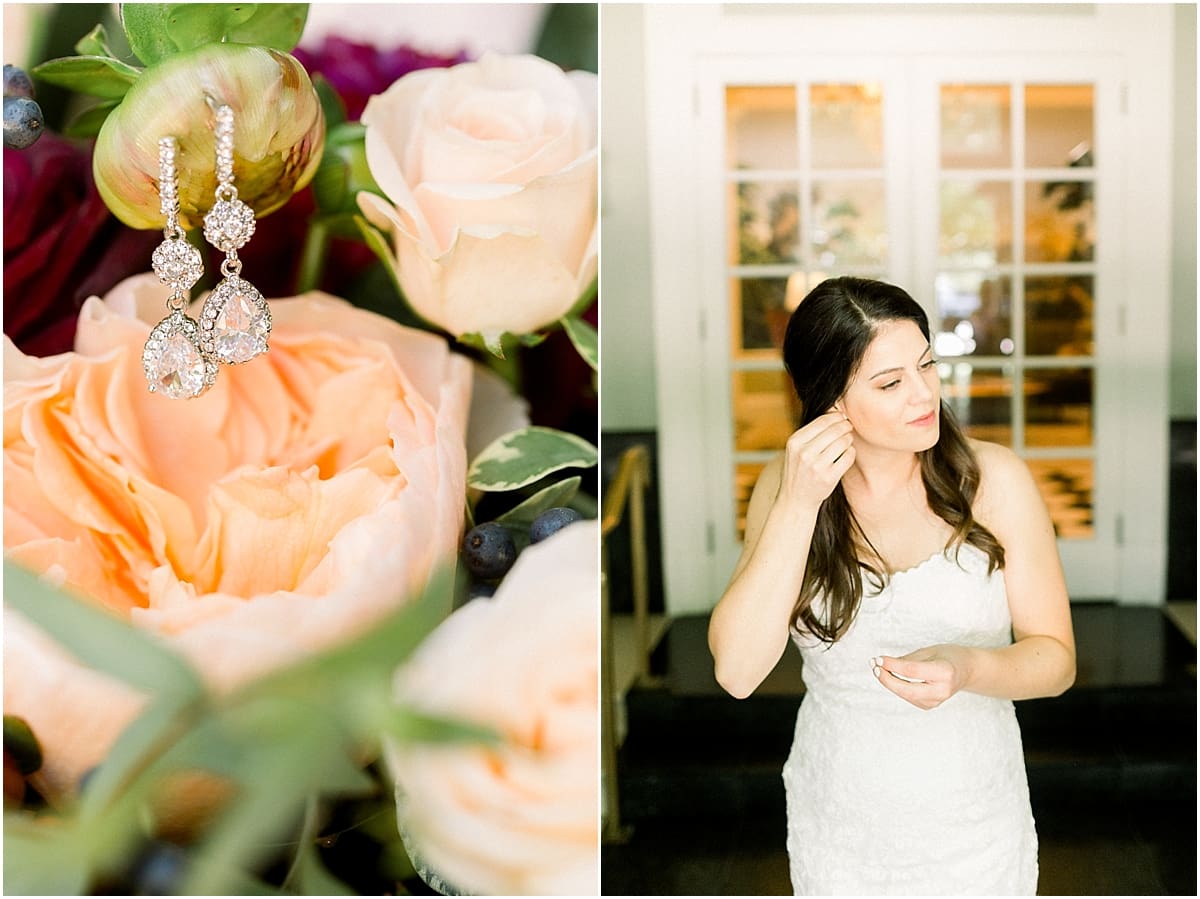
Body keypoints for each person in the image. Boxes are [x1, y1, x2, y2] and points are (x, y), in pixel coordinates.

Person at [708, 276, 1075, 895]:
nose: (925, 394)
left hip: (974, 821)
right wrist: (800, 505)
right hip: (842, 826)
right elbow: (738, 672)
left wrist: (968, 668)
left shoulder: (996, 480)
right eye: (889, 382)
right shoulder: (784, 487)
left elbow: (1057, 661)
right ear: (829, 400)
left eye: (926, 365)